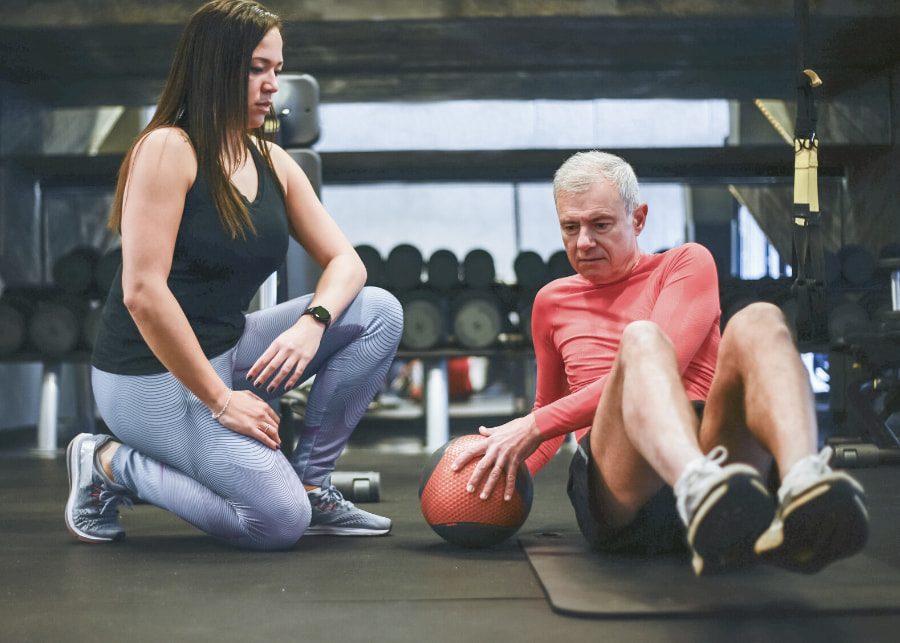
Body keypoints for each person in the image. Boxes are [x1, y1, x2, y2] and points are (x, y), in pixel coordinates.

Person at [64, 0, 403, 551]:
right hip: (148, 375)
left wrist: (312, 322)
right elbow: (143, 293)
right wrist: (222, 401)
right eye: (256, 69)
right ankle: (107, 463)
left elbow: (348, 263)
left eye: (276, 69)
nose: (273, 85)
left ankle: (313, 484)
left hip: (228, 348)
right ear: (213, 67)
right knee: (275, 521)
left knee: (377, 311)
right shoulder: (168, 149)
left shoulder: (272, 161)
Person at [452, 151, 869, 575]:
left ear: (638, 218)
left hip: (724, 474)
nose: (583, 242)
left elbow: (659, 357)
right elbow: (546, 412)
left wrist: (534, 425)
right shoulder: (550, 301)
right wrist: (493, 474)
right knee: (642, 339)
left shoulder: (685, 263)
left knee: (759, 318)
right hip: (622, 485)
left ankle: (801, 484)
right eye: (570, 227)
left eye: (600, 225)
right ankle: (694, 485)